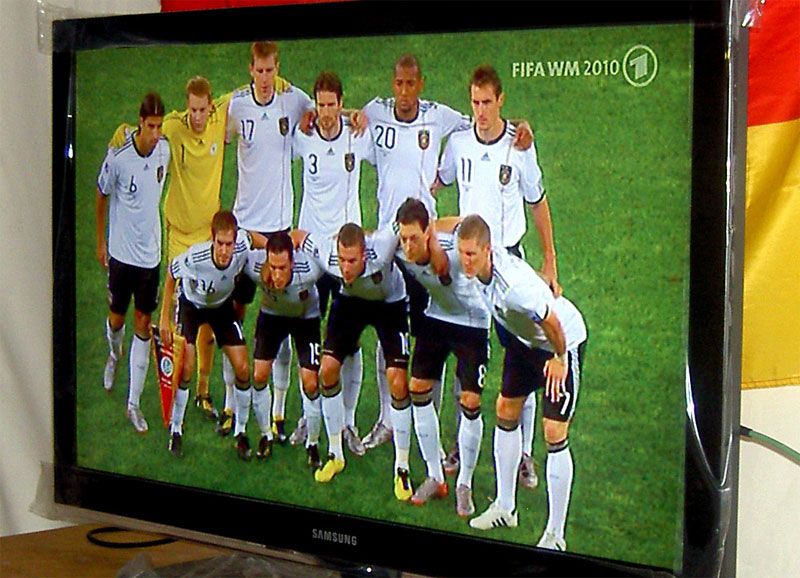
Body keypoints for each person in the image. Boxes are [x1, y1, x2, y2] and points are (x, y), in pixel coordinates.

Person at [357, 55, 534, 455]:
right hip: (393, 240)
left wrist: (522, 128)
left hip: (433, 244)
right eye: (397, 83)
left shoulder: (441, 118)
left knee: (466, 339)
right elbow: (345, 119)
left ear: (421, 83)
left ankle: (490, 444)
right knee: (392, 332)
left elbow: (486, 125)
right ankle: (389, 419)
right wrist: (342, 114)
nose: (403, 91)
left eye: (410, 84)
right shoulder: (375, 112)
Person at [456, 215, 586, 552]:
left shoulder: (515, 288)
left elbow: (552, 320)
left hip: (559, 342)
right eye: (462, 253)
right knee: (506, 410)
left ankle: (555, 535)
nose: (465, 261)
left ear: (488, 251)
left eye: (471, 254)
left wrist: (558, 359)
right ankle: (505, 507)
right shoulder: (480, 268)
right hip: (523, 341)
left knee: (554, 432)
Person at [226, 41, 316, 443]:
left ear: (277, 68)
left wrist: (356, 118)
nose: (264, 79)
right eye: (258, 71)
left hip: (280, 234)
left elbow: (325, 113)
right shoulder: (235, 106)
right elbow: (207, 129)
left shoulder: (292, 100)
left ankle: (278, 410)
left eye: (270, 71)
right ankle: (232, 403)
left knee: (280, 314)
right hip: (246, 233)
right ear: (251, 69)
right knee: (234, 319)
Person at [289, 70, 376, 453]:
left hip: (345, 259)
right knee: (305, 334)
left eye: (331, 104)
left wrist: (359, 116)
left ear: (341, 104)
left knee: (350, 342)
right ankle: (308, 421)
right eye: (319, 104)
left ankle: (350, 422)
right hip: (309, 252)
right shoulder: (303, 136)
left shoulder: (357, 137)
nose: (325, 112)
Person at [294, 224, 414, 499]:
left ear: (365, 254)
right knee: (327, 370)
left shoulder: (382, 248)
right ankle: (336, 453)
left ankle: (402, 468)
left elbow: (405, 221)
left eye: (352, 261)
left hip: (390, 304)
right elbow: (299, 236)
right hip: (350, 303)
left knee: (397, 380)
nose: (345, 268)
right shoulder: (328, 256)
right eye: (342, 260)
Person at [394, 199, 491, 515]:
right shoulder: (397, 250)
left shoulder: (454, 248)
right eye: (403, 238)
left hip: (473, 321)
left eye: (414, 238)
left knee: (471, 401)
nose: (408, 246)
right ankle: (435, 476)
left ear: (428, 232)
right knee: (418, 388)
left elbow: (471, 223)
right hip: (437, 316)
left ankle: (464, 482)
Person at [96, 92, 170, 434]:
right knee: (116, 319)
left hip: (149, 258)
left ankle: (133, 404)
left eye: (159, 126)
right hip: (121, 257)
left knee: (144, 323)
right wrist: (101, 243)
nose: (156, 134)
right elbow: (101, 193)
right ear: (140, 123)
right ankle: (114, 355)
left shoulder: (165, 151)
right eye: (150, 126)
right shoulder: (119, 157)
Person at [157, 211, 256, 459]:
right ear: (213, 240)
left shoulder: (242, 245)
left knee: (243, 368)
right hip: (191, 306)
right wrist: (164, 318)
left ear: (235, 241)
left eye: (229, 244)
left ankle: (241, 433)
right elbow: (171, 273)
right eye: (220, 244)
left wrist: (281, 248)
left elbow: (255, 239)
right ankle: (177, 429)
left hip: (221, 307)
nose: (224, 250)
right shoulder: (196, 256)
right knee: (187, 366)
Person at [243, 232, 325, 467]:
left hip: (305, 318)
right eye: (273, 267)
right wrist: (264, 244)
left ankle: (312, 443)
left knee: (310, 382)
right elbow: (242, 236)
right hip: (271, 317)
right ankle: (266, 435)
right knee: (258, 375)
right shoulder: (255, 263)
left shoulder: (310, 268)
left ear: (293, 261)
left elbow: (329, 250)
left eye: (282, 267)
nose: (277, 274)